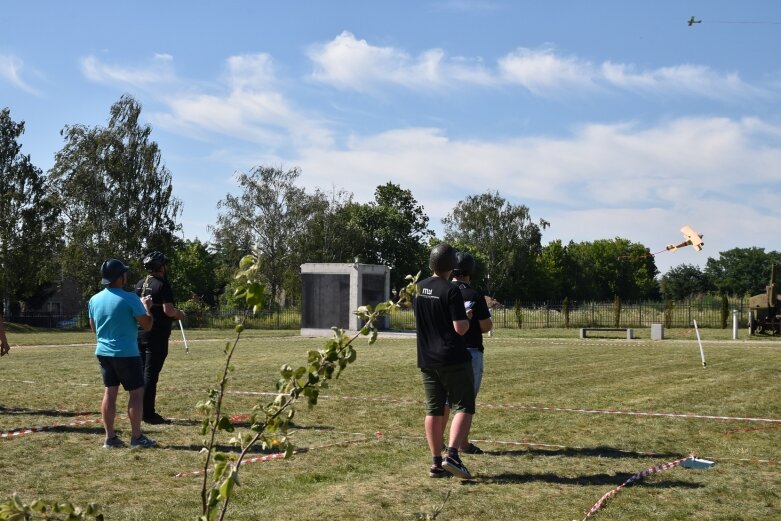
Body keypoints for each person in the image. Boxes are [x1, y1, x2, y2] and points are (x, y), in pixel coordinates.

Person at [414, 242, 474, 479]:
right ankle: (453, 455)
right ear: (452, 266)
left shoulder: (417, 288)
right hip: (452, 357)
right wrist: (467, 319)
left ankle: (436, 462)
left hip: (427, 358)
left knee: (433, 409)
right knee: (464, 405)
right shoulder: (452, 290)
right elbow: (460, 329)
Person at [88, 258, 157, 448]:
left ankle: (110, 438)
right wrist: (146, 308)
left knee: (110, 393)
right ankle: (137, 437)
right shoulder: (130, 298)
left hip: (103, 352)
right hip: (126, 353)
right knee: (136, 394)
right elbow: (147, 325)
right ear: (120, 277)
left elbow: (94, 328)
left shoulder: (94, 299)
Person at [134, 251, 185, 424]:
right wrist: (180, 314)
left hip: (140, 332)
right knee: (151, 374)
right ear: (160, 267)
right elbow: (169, 311)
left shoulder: (140, 283)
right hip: (157, 333)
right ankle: (148, 413)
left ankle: (138, 409)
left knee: (141, 372)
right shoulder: (162, 285)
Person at [451, 251, 493, 455]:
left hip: (445, 350)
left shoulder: (442, 290)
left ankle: (440, 441)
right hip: (470, 351)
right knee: (466, 402)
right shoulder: (474, 295)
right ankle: (462, 443)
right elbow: (485, 326)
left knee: (443, 400)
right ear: (470, 272)